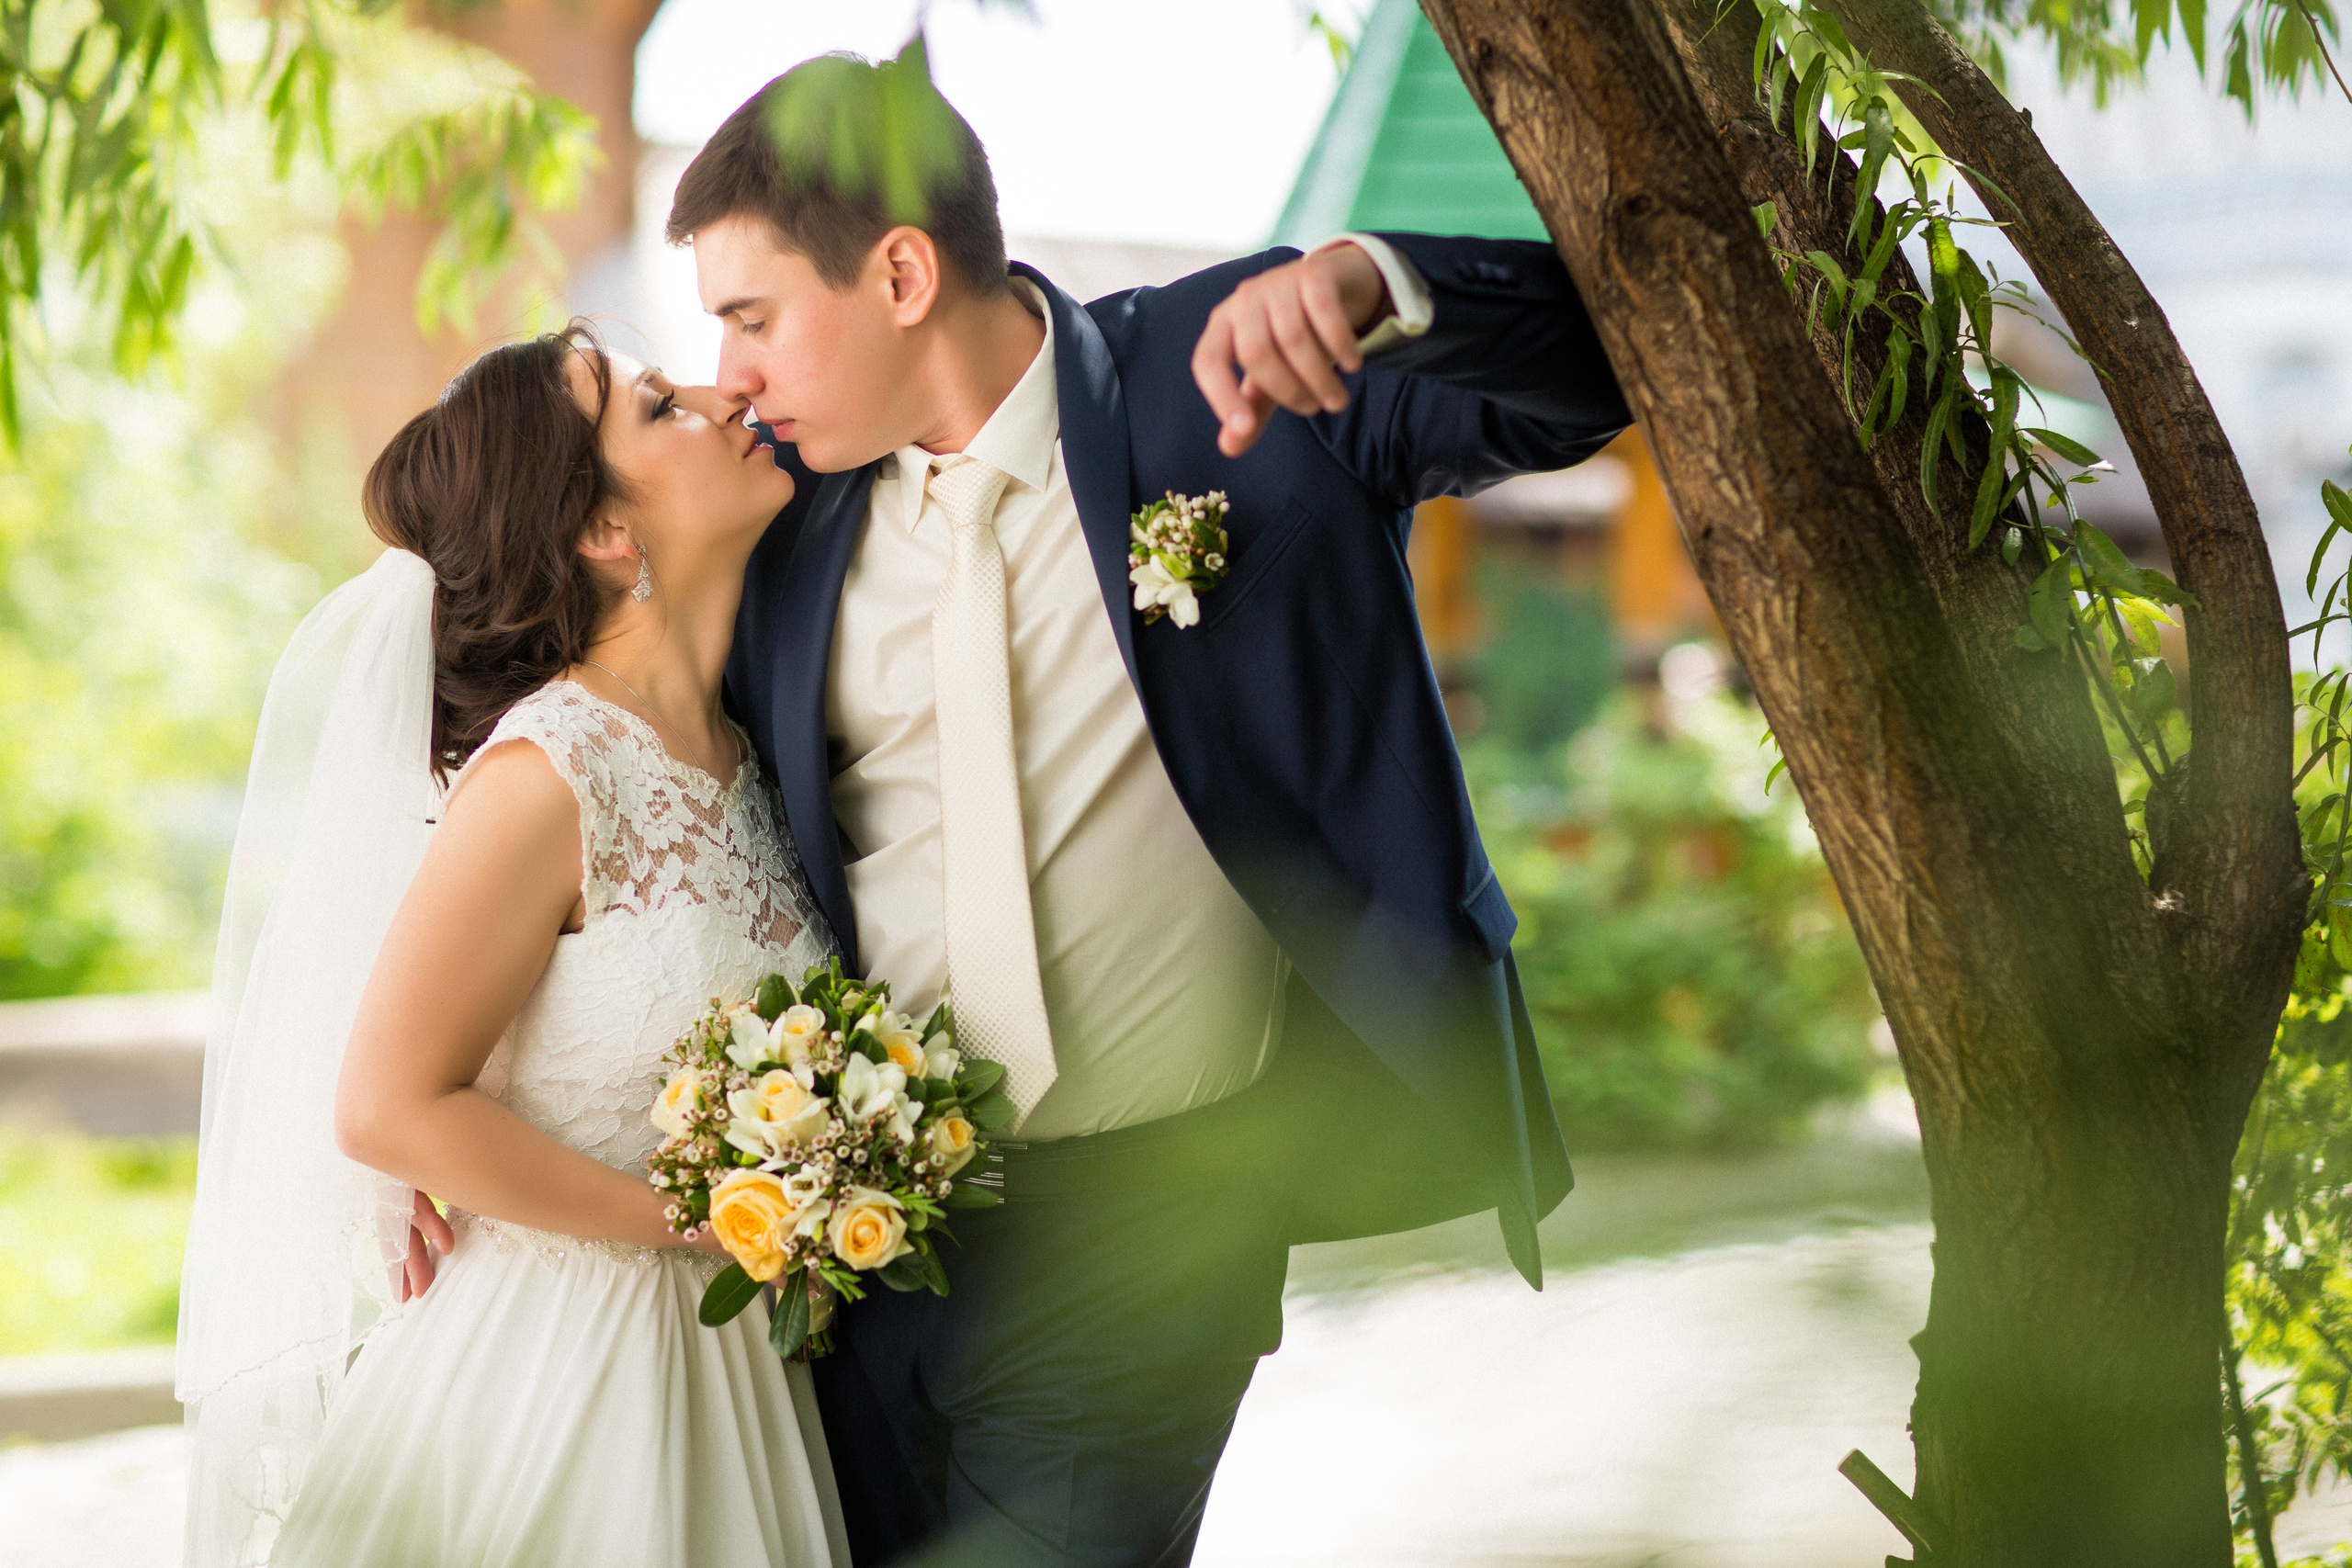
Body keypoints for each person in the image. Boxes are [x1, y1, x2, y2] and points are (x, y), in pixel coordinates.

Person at [663, 56, 1632, 1568]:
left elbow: (1602, 374)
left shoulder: (1228, 374)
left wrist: (1383, 280)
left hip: (1155, 1221)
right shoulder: (774, 519)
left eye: (752, 316)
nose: (730, 372)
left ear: (902, 272)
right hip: (862, 1244)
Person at [175, 325, 850, 1568]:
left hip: (738, 1382)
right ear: (605, 531)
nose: (721, 390)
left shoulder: (747, 752)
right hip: (562, 1374)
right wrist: (697, 1222)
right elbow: (387, 1107)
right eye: (658, 406)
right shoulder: (550, 773)